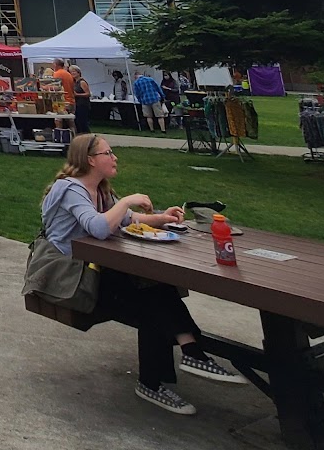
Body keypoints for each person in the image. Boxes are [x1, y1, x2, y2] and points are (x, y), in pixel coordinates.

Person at [41, 134, 243, 414]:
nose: (114, 157)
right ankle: (171, 369)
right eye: (108, 153)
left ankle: (188, 355)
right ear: (90, 160)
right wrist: (126, 201)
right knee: (150, 298)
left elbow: (128, 219)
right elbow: (99, 227)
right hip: (69, 279)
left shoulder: (100, 190)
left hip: (96, 271)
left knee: (153, 287)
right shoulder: (70, 188)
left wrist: (162, 218)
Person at [67, 64, 91, 134]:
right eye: (71, 72)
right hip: (77, 104)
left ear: (78, 72)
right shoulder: (74, 82)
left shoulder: (82, 82)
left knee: (83, 122)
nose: (72, 73)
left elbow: (88, 94)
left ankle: (87, 135)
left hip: (83, 105)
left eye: (74, 71)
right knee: (77, 122)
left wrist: (77, 95)